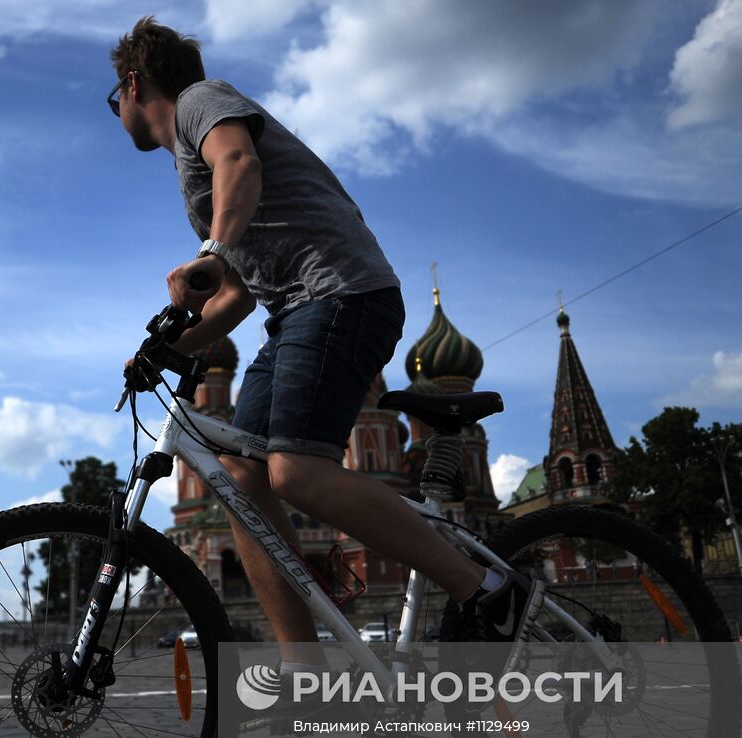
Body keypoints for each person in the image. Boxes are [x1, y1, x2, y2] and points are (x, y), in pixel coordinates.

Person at [108, 18, 542, 672]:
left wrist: (212, 251)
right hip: (294, 311)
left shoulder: (201, 102)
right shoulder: (189, 163)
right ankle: (303, 668)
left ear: (134, 83)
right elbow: (241, 292)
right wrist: (169, 349)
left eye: (114, 98)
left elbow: (239, 161)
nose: (118, 108)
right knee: (242, 478)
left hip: (341, 292)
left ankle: (489, 590)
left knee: (295, 470)